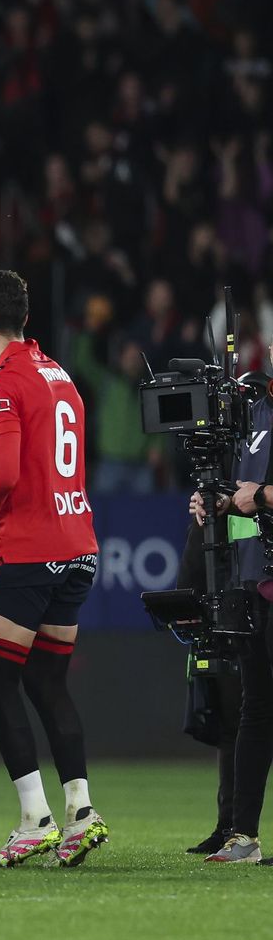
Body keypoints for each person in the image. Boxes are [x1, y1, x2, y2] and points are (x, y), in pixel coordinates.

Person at [0, 269, 107, 867]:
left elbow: (4, 473)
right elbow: (50, 472)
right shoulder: (61, 377)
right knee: (45, 681)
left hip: (33, 552)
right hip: (77, 544)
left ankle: (35, 818)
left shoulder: (1, 384)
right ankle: (81, 809)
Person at [186, 362, 273, 865]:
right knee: (256, 711)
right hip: (255, 580)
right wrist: (215, 499)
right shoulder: (255, 414)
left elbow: (255, 495)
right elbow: (240, 492)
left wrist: (256, 496)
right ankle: (243, 836)